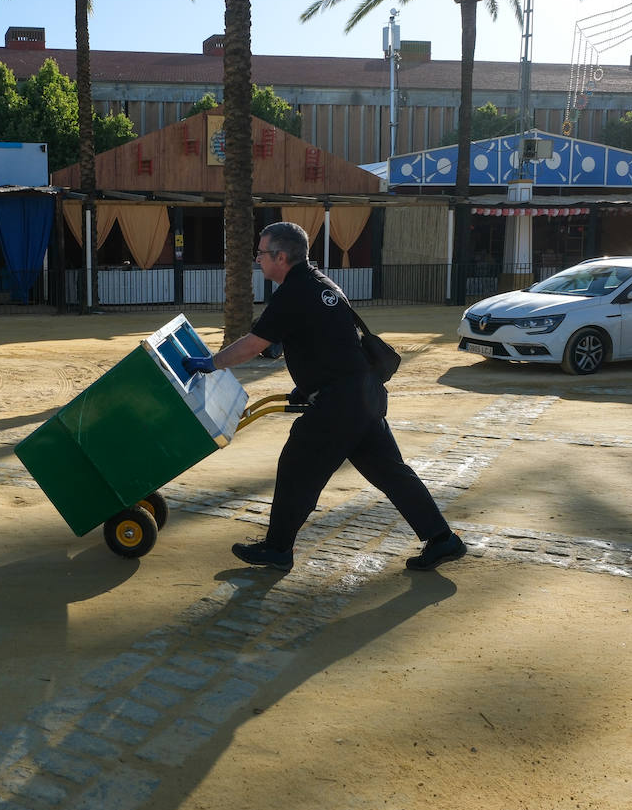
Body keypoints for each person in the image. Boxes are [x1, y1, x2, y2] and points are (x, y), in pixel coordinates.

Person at [182, 221, 465, 573]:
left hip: (339, 404)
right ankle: (442, 538)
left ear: (280, 256)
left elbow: (255, 344)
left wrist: (211, 363)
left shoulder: (293, 291)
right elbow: (328, 342)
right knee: (391, 472)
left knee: (296, 467)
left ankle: (277, 548)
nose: (258, 260)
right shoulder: (321, 283)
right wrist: (306, 386)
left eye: (261, 253)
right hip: (363, 396)